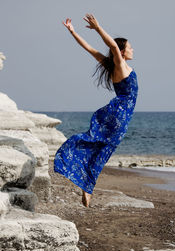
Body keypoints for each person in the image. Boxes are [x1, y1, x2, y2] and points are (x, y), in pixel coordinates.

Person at [54, 13, 139, 208]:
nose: (133, 49)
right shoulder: (120, 64)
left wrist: (73, 32)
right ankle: (87, 184)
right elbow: (113, 46)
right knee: (105, 149)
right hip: (121, 114)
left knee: (99, 144)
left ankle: (87, 186)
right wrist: (98, 28)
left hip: (114, 111)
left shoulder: (112, 66)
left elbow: (89, 48)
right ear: (123, 51)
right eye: (130, 47)